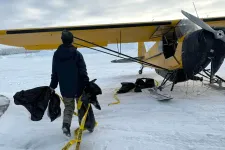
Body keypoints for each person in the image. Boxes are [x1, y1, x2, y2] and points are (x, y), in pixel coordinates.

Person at [49, 30, 90, 137]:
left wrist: (52, 86)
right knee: (81, 106)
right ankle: (85, 125)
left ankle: (66, 125)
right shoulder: (77, 54)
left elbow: (55, 73)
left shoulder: (56, 55)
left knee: (69, 107)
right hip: (79, 87)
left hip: (65, 88)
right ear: (72, 40)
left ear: (62, 40)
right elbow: (83, 71)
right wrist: (86, 83)